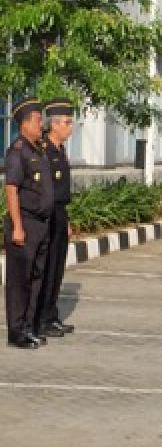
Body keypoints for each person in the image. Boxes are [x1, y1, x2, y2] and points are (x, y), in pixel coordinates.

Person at [4, 98, 52, 349]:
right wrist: (18, 226)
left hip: (41, 225)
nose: (41, 123)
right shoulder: (18, 151)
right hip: (24, 223)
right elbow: (11, 189)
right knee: (19, 280)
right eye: (37, 119)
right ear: (25, 123)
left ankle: (29, 326)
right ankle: (16, 331)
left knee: (36, 277)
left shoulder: (37, 149)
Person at [35, 99, 76, 339]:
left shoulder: (60, 150)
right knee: (47, 268)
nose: (71, 128)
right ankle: (41, 319)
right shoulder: (44, 151)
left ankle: (51, 315)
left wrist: (67, 221)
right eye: (68, 123)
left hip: (60, 214)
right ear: (56, 124)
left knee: (58, 268)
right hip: (47, 215)